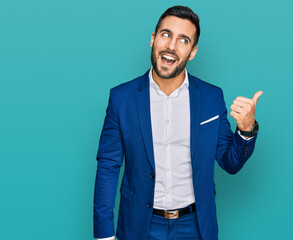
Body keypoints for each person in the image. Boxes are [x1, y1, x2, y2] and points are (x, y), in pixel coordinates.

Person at [93, 5, 262, 240]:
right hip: (140, 226)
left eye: (183, 40)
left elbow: (229, 162)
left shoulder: (212, 98)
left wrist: (246, 130)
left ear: (192, 52)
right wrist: (103, 235)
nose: (171, 46)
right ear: (153, 39)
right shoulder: (121, 98)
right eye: (166, 34)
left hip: (196, 226)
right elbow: (108, 167)